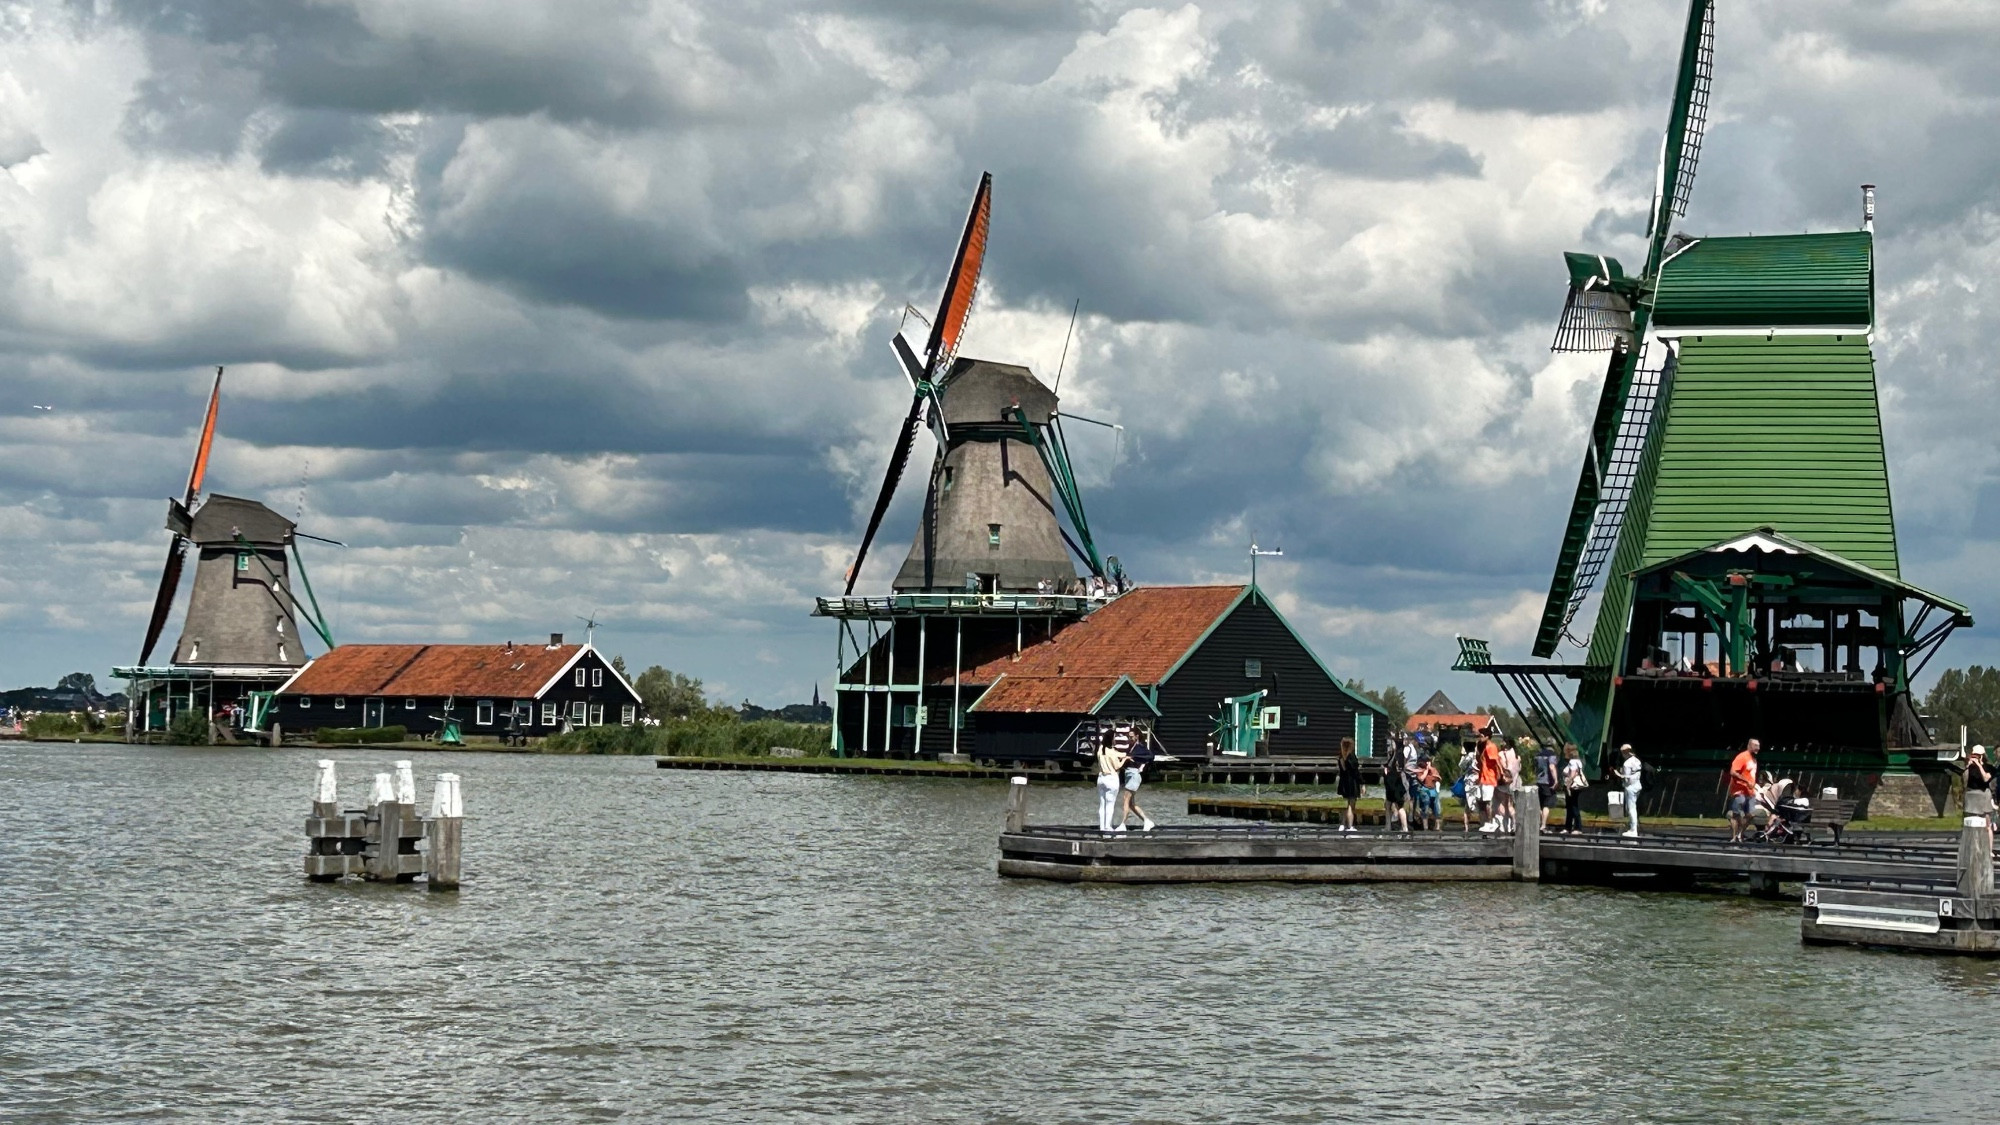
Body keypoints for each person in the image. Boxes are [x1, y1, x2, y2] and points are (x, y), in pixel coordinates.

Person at [1118, 728, 1157, 832]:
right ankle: (1147, 821)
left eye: (1131, 737)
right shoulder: (1130, 747)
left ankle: (1123, 824)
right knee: (1131, 804)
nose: (1129, 739)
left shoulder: (1140, 747)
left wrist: (1133, 757)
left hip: (1134, 774)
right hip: (1128, 774)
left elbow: (1151, 756)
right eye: (1128, 737)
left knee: (1125, 799)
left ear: (1137, 736)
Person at [1724, 738, 1759, 842]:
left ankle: (1740, 834)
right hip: (1739, 790)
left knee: (1751, 814)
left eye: (1758, 746)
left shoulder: (1753, 759)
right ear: (1750, 745)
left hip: (1750, 791)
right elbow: (1733, 772)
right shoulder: (1742, 757)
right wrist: (1746, 781)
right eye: (1756, 745)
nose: (1758, 748)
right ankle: (1734, 837)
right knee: (1736, 814)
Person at [1095, 736, 1129, 834]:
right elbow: (1117, 766)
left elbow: (1117, 753)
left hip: (1101, 778)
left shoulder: (1100, 749)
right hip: (1111, 778)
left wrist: (1123, 754)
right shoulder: (1111, 751)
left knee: (1102, 804)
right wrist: (1125, 759)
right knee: (1110, 804)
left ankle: (1102, 827)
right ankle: (1107, 827)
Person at [1475, 735, 1502, 832]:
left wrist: (1501, 773)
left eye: (1481, 736)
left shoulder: (1490, 747)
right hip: (1483, 777)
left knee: (1488, 802)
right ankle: (1486, 821)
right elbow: (1479, 762)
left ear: (1487, 736)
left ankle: (1491, 822)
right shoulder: (1482, 748)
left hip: (1489, 778)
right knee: (1480, 801)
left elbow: (1496, 761)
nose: (1479, 738)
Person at [1336, 737, 1362, 833]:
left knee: (1348, 805)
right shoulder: (1351, 757)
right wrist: (1362, 783)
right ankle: (1350, 826)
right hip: (1352, 783)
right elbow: (1356, 772)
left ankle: (1343, 824)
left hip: (1344, 782)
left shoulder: (1341, 757)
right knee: (1352, 805)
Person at [1560, 744, 1588, 835]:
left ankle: (1577, 827)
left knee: (1573, 806)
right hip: (1575, 786)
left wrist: (1568, 785)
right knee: (1571, 806)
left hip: (1572, 786)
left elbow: (1573, 774)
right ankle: (1568, 827)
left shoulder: (1572, 762)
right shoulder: (1578, 761)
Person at [1533, 740, 1559, 832]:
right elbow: (1552, 767)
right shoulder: (1551, 755)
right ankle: (1543, 825)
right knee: (1547, 805)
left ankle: (1540, 823)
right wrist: (1556, 780)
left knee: (1540, 804)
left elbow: (1535, 767)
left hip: (1539, 781)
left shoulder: (1538, 755)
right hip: (1547, 782)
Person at [1618, 743, 1644, 837]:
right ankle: (1633, 827)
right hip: (1638, 785)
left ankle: (1633, 830)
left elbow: (1627, 779)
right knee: (1634, 807)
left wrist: (1620, 775)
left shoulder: (1626, 764)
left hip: (1630, 787)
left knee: (1631, 808)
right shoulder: (1637, 760)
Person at [1383, 743, 1409, 833]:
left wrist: (1388, 771)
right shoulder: (1393, 756)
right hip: (1391, 783)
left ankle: (1405, 828)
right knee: (1388, 804)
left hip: (1395, 782)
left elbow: (1396, 768)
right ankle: (1388, 826)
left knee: (1399, 806)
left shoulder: (1398, 755)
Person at [1413, 753, 1442, 831]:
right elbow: (1421, 779)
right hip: (1424, 790)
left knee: (1437, 809)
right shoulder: (1419, 770)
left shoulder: (1433, 769)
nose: (1427, 763)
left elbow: (1438, 777)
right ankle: (1425, 827)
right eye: (1426, 761)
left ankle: (1437, 826)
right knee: (1424, 808)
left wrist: (1430, 769)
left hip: (1433, 790)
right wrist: (1426, 771)